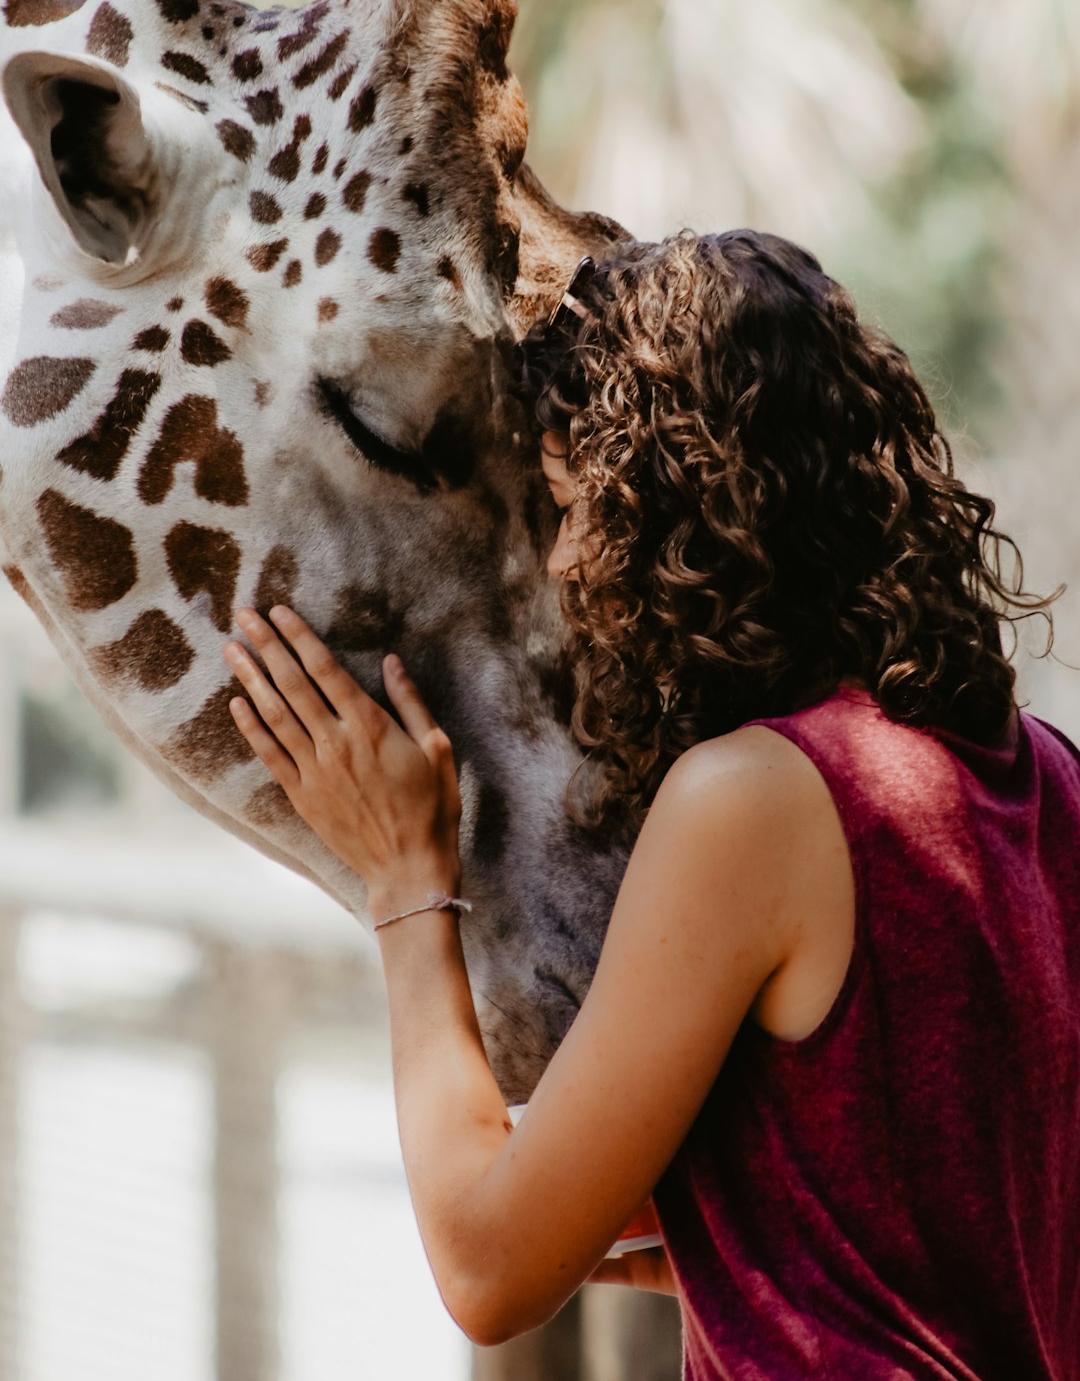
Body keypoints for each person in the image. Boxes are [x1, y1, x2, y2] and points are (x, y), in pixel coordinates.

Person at [223, 229, 1080, 1378]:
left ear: (679, 511)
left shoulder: (758, 798)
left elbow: (487, 1270)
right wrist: (748, 1241)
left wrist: (405, 882)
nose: (571, 562)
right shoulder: (1046, 775)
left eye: (577, 505)